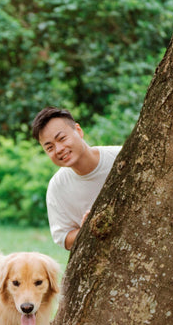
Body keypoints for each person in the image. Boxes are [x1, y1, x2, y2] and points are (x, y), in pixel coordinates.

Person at [31, 107, 121, 251]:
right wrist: (88, 228)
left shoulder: (120, 157)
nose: (59, 149)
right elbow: (63, 238)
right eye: (49, 148)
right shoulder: (57, 186)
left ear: (78, 130)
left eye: (62, 138)